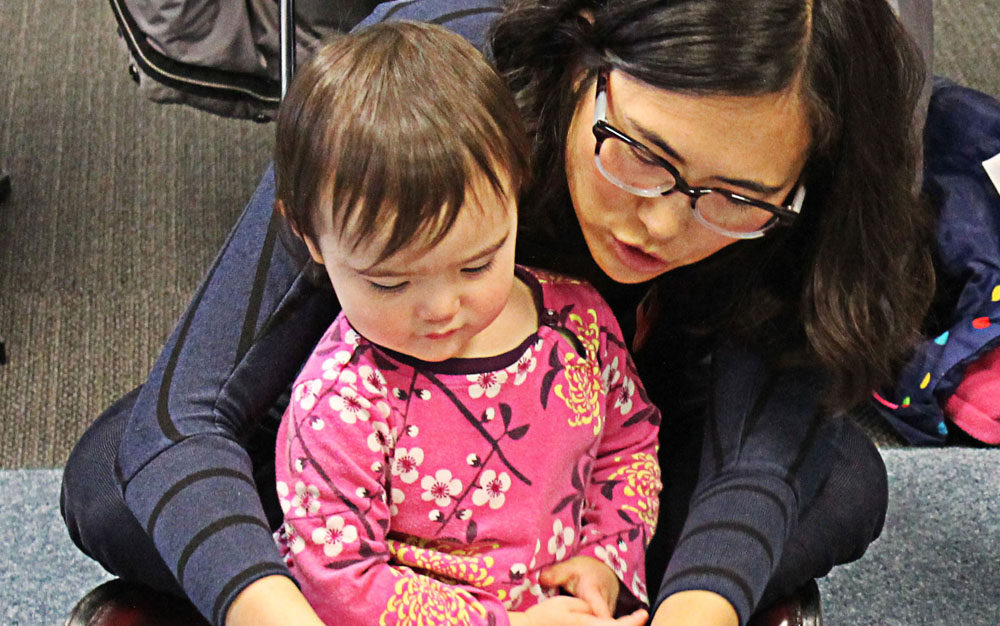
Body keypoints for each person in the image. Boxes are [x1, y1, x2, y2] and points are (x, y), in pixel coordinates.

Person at [60, 1, 934, 626]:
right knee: (114, 484)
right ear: (584, 47)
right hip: (366, 469)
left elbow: (749, 461)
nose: (660, 223)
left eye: (735, 198)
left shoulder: (816, 201)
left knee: (843, 481)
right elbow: (183, 416)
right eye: (640, 154)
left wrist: (655, 596)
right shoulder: (431, 90)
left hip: (581, 471)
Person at [271, 21, 658, 626]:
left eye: (477, 264)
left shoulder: (577, 321)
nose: (440, 308)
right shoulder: (342, 402)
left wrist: (606, 557)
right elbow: (338, 582)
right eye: (389, 282)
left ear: (515, 193)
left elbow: (627, 440)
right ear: (310, 238)